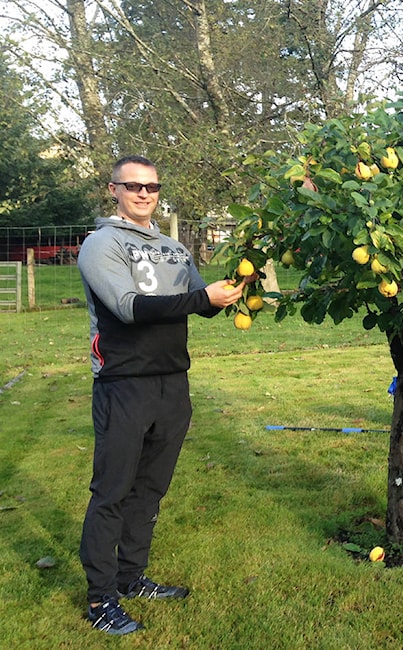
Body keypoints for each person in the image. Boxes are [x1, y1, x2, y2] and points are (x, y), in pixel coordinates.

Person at [77, 155, 245, 635]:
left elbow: (202, 306)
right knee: (112, 491)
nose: (144, 194)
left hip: (173, 382)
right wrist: (202, 299)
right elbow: (128, 308)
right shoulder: (100, 245)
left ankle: (131, 577)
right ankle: (99, 598)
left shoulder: (174, 248)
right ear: (114, 190)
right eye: (133, 186)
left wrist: (235, 286)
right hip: (123, 383)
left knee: (150, 489)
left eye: (151, 187)